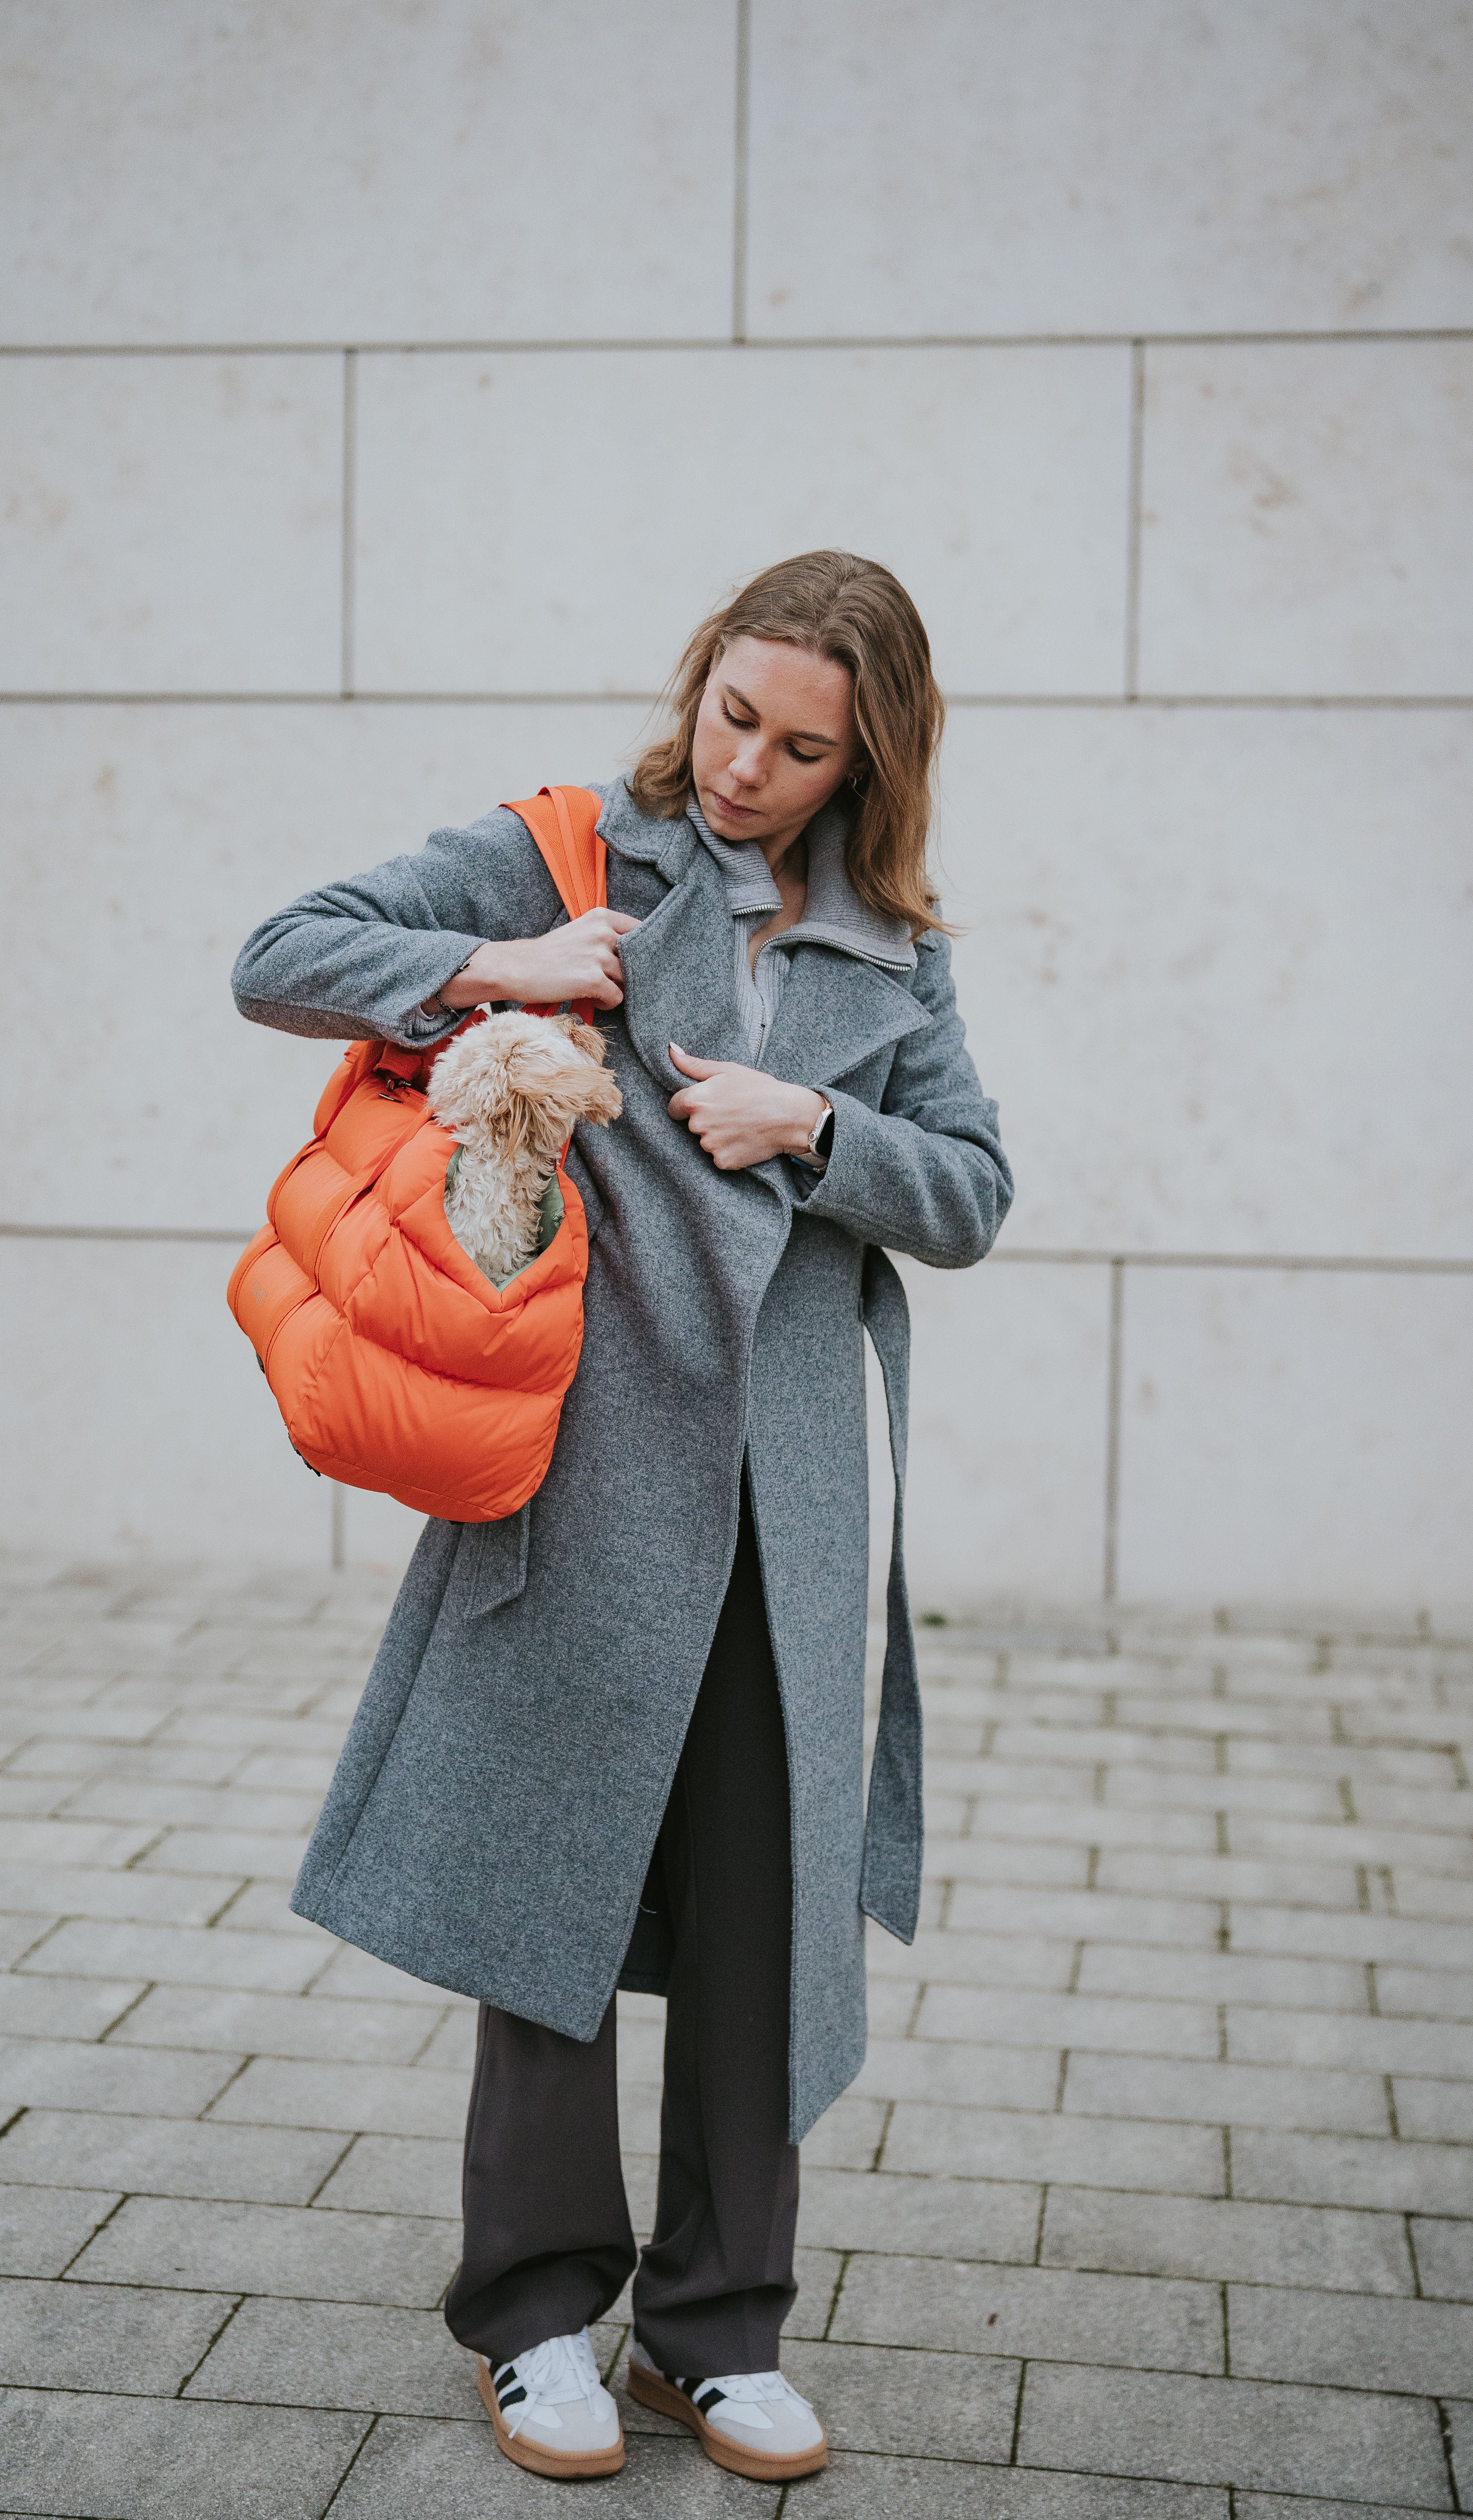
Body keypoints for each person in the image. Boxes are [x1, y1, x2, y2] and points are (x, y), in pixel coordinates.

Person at [231, 548, 1011, 2484]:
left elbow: (977, 1190)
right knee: (545, 1891)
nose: (744, 763)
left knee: (763, 1911)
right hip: (576, 1483)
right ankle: (530, 2320)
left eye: (798, 744)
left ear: (865, 762)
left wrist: (813, 1131)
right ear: (700, 684)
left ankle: (717, 2329)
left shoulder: (894, 952)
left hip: (782, 1504)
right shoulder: (569, 851)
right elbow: (277, 950)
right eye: (731, 711)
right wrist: (493, 966)